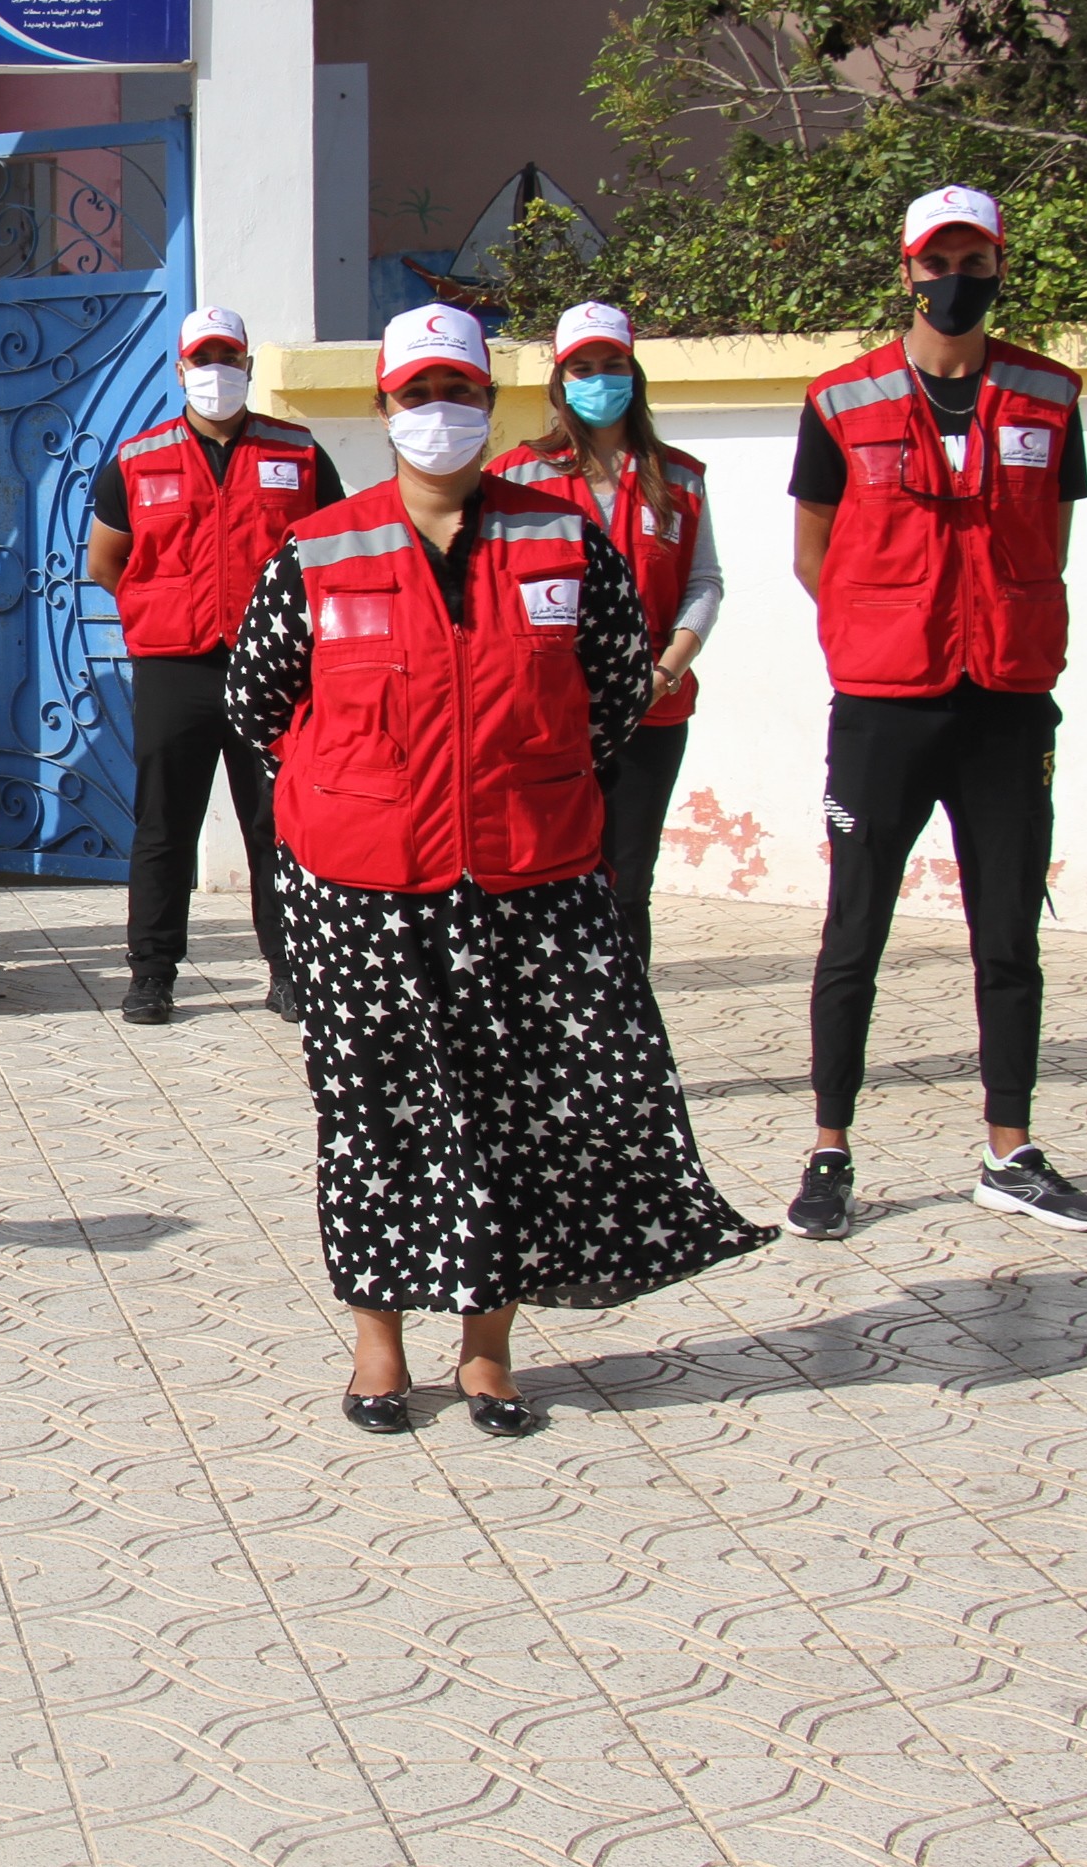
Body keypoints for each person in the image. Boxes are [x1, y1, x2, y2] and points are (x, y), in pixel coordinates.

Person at [224, 305, 772, 1437]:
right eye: (417, 395)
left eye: (460, 394)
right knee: (375, 1115)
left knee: (511, 1114)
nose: (439, 416)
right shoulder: (321, 549)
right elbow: (256, 703)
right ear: (384, 410)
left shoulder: (568, 541)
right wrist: (364, 796)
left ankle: (487, 1351)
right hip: (362, 896)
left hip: (527, 885)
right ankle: (379, 1347)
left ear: (492, 408)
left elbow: (618, 694)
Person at [786, 186, 1087, 1241]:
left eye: (974, 258)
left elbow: (1051, 542)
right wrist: (886, 627)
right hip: (885, 706)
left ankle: (1009, 1149)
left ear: (999, 265)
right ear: (907, 267)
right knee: (855, 931)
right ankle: (830, 1149)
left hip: (1007, 701)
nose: (954, 278)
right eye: (938, 259)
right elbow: (813, 550)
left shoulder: (1049, 396)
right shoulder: (843, 399)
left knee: (1007, 930)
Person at [85, 305, 342, 1025]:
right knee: (165, 825)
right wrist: (169, 605)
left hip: (273, 669)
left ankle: (288, 971)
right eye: (204, 361)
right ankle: (152, 976)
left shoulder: (297, 455)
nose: (216, 374)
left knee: (276, 823)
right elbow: (107, 564)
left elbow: (330, 555)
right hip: (176, 667)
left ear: (250, 368)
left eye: (229, 359)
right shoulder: (138, 461)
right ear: (181, 371)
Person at [487, 302, 721, 970]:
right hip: (547, 717)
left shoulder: (679, 476)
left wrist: (668, 667)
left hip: (652, 710)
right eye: (581, 368)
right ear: (560, 382)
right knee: (547, 875)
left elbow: (703, 583)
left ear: (633, 372)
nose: (598, 379)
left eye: (611, 365)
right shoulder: (515, 476)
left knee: (627, 882)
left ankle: (625, 1036)